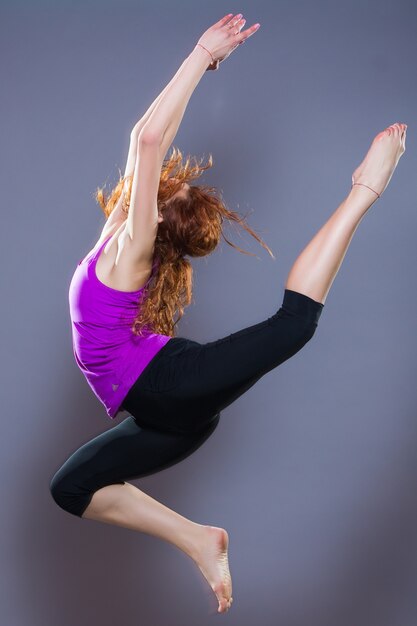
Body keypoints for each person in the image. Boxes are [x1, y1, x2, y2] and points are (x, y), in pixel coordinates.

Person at [49, 12, 407, 615]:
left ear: (157, 217)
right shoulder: (121, 229)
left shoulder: (136, 247)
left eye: (171, 189)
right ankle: (199, 538)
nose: (166, 179)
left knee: (294, 325)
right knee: (69, 489)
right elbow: (142, 134)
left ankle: (364, 190)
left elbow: (147, 141)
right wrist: (205, 63)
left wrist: (200, 54)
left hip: (169, 392)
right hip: (164, 409)